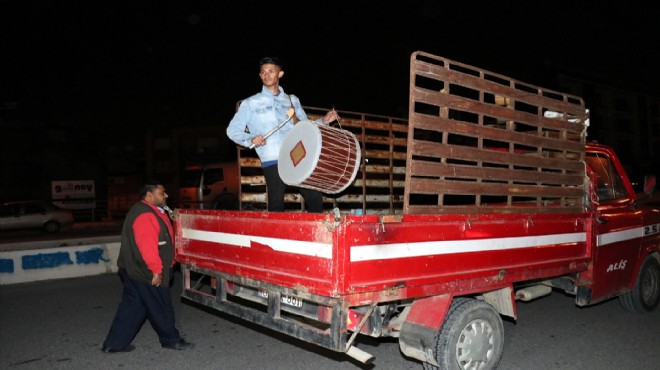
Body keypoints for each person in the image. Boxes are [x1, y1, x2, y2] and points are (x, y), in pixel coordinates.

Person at [226, 56, 339, 213]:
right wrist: (250, 139)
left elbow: (304, 127)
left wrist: (324, 121)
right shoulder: (251, 103)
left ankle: (315, 234)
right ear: (260, 75)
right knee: (277, 204)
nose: (266, 75)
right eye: (263, 72)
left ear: (280, 74)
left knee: (314, 196)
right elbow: (232, 130)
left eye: (271, 71)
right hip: (272, 160)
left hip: (296, 156)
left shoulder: (292, 100)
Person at [101, 181, 193, 353]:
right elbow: (147, 246)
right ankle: (172, 340)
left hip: (133, 269)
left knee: (133, 307)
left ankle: (113, 343)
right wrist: (156, 270)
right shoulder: (145, 215)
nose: (166, 195)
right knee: (160, 307)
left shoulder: (151, 210)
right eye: (162, 193)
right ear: (149, 196)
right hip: (145, 272)